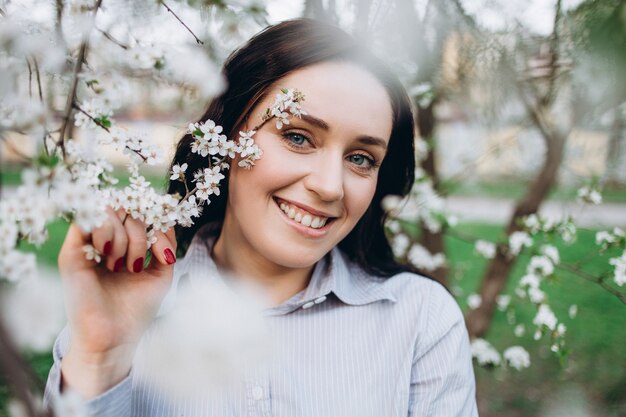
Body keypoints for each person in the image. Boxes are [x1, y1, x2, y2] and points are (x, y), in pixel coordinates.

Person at [45, 18, 478, 417]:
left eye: (362, 158)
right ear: (228, 138)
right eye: (297, 137)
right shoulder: (119, 308)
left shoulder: (420, 320)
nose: (330, 186)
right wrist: (100, 358)